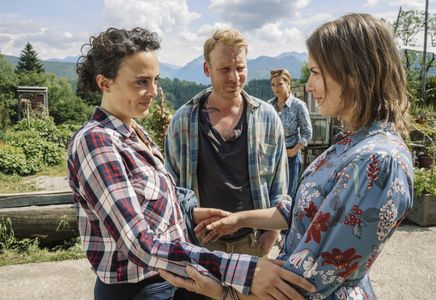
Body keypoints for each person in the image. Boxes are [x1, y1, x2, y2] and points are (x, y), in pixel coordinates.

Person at [160, 13, 414, 300]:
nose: (307, 86)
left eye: (316, 73)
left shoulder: (377, 163)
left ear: (352, 74)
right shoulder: (353, 143)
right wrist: (238, 219)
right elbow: (301, 209)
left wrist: (222, 292)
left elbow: (307, 284)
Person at [67, 27, 315, 300]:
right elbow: (140, 244)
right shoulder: (97, 143)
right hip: (140, 288)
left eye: (155, 80)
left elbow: (161, 198)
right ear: (105, 83)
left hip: (175, 275)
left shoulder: (133, 132)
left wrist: (189, 211)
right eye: (141, 82)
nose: (153, 91)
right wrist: (244, 270)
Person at [165, 29, 288, 257]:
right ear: (206, 69)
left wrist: (272, 233)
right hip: (201, 243)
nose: (234, 77)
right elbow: (171, 186)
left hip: (252, 242)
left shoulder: (268, 117)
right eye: (224, 69)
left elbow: (279, 184)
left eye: (240, 68)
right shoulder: (183, 120)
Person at [269, 68, 312, 197]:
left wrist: (295, 150)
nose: (276, 88)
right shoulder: (269, 106)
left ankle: (289, 218)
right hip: (273, 157)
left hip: (291, 157)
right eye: (273, 85)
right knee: (273, 193)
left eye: (280, 84)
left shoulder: (298, 106)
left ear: (288, 84)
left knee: (288, 195)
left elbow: (307, 132)